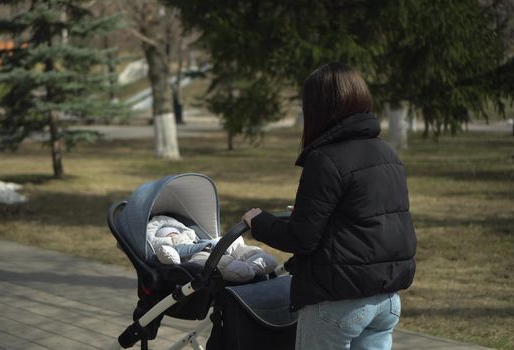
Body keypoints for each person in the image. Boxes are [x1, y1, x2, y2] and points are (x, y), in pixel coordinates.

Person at [242, 62, 417, 350]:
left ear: (318, 107)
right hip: (386, 299)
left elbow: (302, 237)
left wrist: (258, 221)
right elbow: (364, 219)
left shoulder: (325, 158)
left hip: (338, 301)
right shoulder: (387, 152)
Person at [147, 215, 278, 282]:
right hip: (197, 258)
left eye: (175, 232)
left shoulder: (194, 238)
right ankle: (239, 269)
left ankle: (254, 259)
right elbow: (168, 255)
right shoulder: (173, 247)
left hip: (215, 248)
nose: (174, 235)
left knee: (237, 246)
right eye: (169, 234)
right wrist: (170, 254)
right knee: (214, 263)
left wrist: (218, 242)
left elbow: (211, 242)